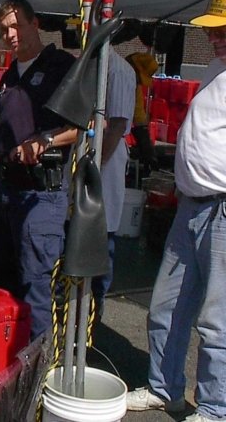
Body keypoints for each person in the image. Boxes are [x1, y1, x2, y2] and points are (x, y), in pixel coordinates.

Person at [126, 0, 226, 422]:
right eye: (214, 30)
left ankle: (216, 407)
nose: (216, 37)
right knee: (166, 304)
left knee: (218, 320)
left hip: (221, 208)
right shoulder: (214, 67)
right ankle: (164, 388)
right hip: (193, 204)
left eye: (222, 30)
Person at [0, 0, 77, 339]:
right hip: (5, 194)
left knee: (35, 290)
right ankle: (12, 360)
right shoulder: (9, 75)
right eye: (4, 30)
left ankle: (37, 376)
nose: (10, 35)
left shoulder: (62, 66)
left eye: (16, 26)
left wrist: (43, 141)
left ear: (36, 23)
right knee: (6, 286)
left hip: (40, 195)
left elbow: (83, 125)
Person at [91, 47, 136, 321]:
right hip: (87, 155)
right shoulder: (89, 64)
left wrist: (96, 168)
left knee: (100, 238)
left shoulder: (118, 70)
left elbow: (117, 125)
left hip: (105, 160)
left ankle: (93, 319)